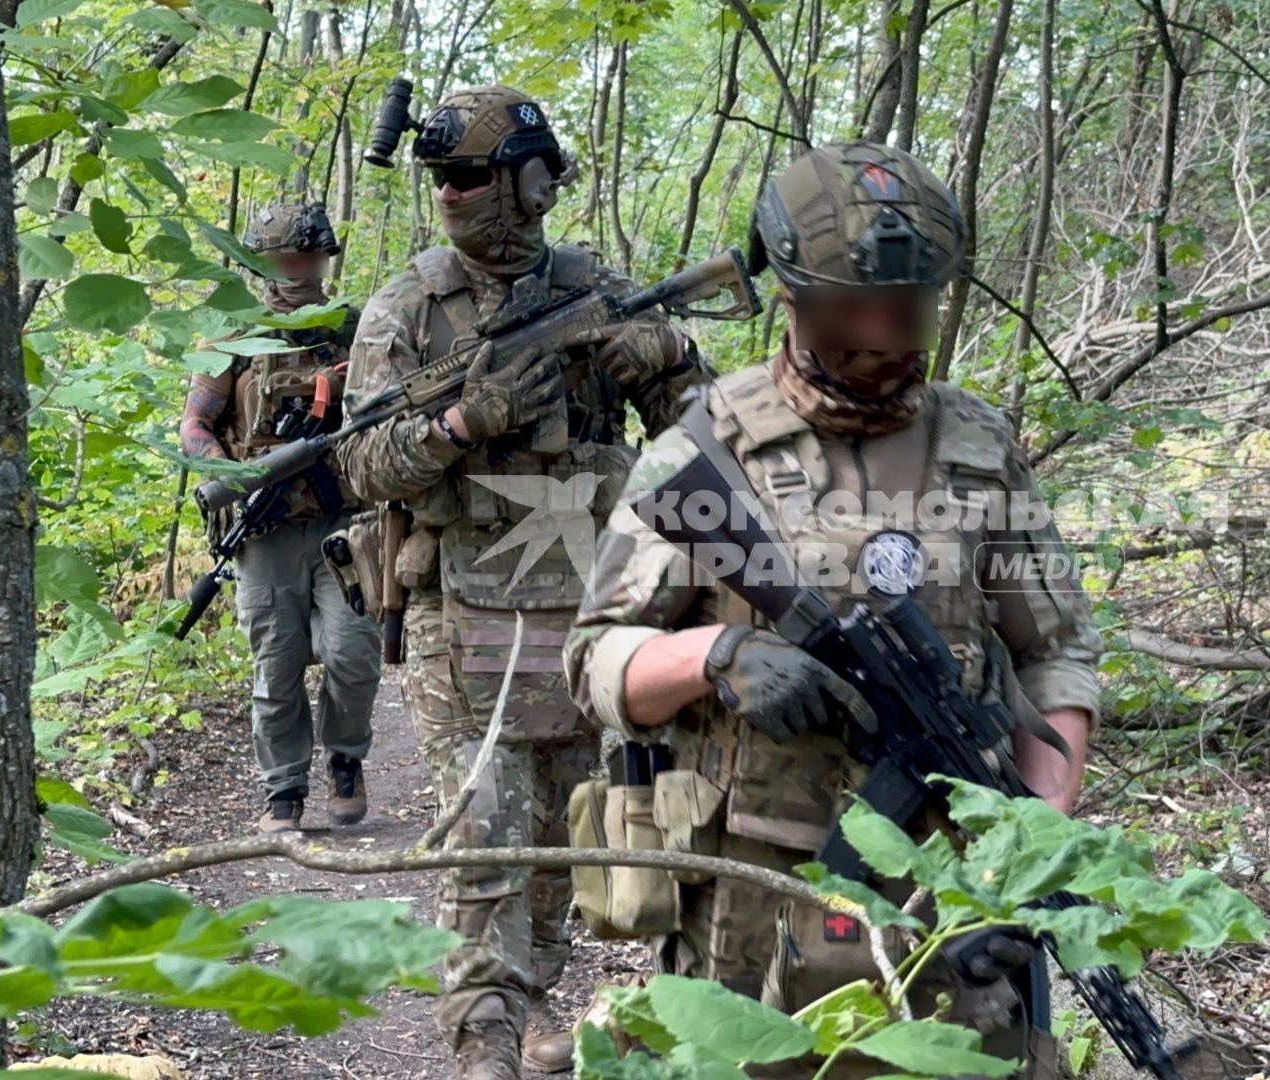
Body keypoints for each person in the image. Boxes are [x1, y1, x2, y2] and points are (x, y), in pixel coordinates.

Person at [563, 142, 1100, 1079]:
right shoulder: (708, 449)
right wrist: (718, 655)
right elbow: (596, 662)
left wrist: (1030, 854)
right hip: (753, 893)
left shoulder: (979, 447)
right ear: (794, 295)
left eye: (911, 303)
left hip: (949, 886)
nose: (888, 328)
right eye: (857, 305)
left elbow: (1056, 657)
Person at [335, 87, 707, 1080]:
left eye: (468, 177)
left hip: (591, 604)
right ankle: (483, 1032)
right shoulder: (407, 307)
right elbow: (358, 465)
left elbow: (704, 440)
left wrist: (665, 356)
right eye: (439, 179)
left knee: (563, 830)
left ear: (531, 185)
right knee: (482, 830)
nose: (450, 196)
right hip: (463, 601)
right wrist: (463, 425)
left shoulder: (598, 288)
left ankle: (534, 996)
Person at [178, 201, 383, 835]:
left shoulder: (357, 327)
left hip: (344, 521)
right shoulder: (234, 333)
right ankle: (284, 792)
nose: (295, 271)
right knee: (277, 666)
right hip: (263, 529)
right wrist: (233, 476)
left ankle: (345, 759)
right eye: (281, 260)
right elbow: (194, 425)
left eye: (305, 258)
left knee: (354, 656)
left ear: (325, 257)